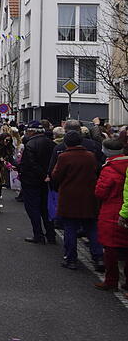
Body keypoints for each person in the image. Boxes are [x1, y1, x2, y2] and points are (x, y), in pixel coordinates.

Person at [52, 131, 104, 272]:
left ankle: (71, 259)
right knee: (92, 228)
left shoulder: (64, 157)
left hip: (70, 197)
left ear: (67, 143)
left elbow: (56, 176)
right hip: (89, 197)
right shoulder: (90, 156)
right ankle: (98, 257)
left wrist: (57, 187)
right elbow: (97, 172)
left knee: (70, 229)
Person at [94, 138, 128, 291]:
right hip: (122, 208)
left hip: (112, 211)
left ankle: (111, 280)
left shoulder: (109, 169)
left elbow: (100, 192)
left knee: (111, 249)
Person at [19, 121, 57, 244]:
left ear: (32, 131)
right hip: (46, 182)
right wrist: (47, 175)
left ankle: (38, 234)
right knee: (46, 208)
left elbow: (30, 164)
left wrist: (42, 175)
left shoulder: (30, 144)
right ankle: (51, 235)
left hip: (31, 181)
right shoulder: (51, 143)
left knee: (33, 209)